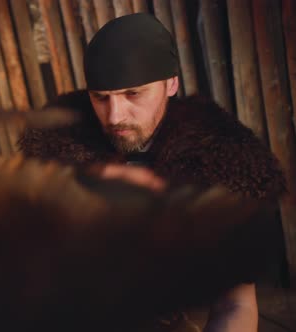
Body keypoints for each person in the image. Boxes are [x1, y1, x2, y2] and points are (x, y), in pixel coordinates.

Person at [18, 13, 286, 332]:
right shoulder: (58, 153)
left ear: (171, 83)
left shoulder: (224, 168)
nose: (115, 116)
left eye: (133, 94)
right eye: (101, 98)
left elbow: (235, 304)